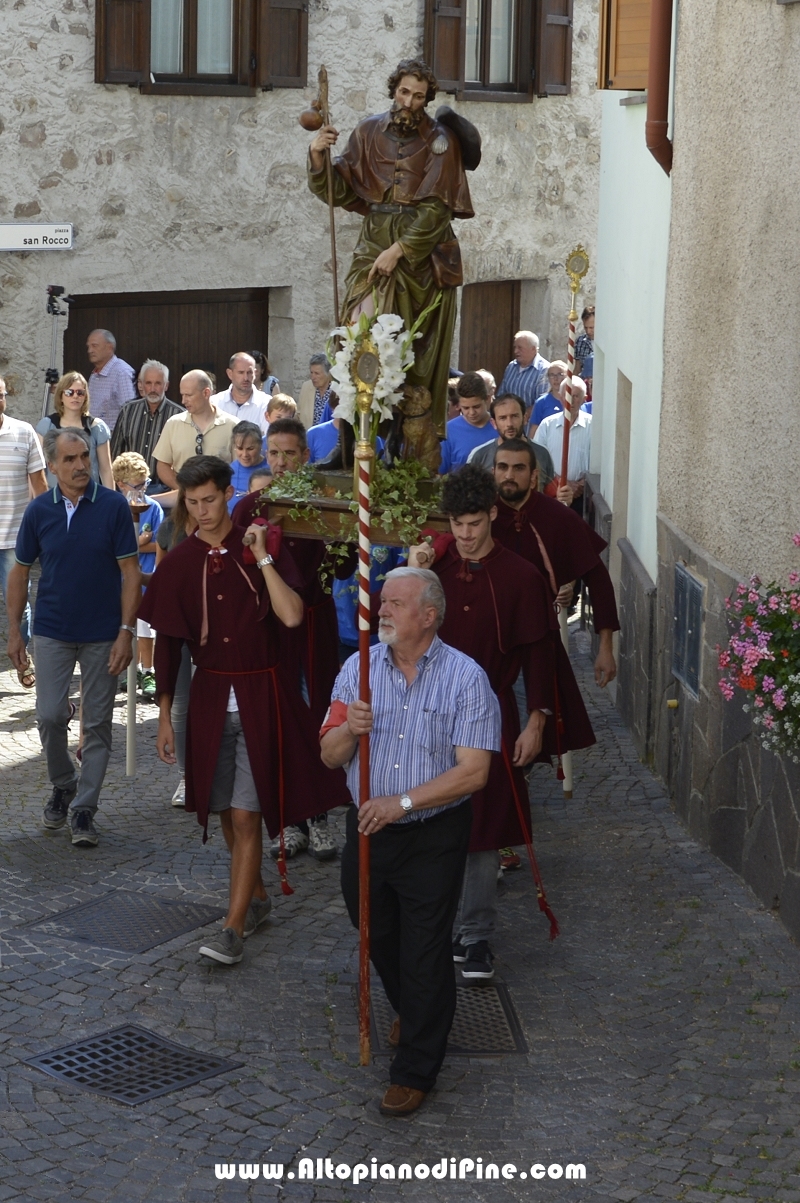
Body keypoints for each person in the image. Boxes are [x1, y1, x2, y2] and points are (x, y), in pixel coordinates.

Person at [139, 456, 349, 965]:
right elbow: (168, 644)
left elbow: (294, 616)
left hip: (262, 693)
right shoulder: (183, 559)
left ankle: (232, 927)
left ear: (228, 493)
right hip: (209, 698)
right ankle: (254, 898)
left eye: (209, 500)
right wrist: (166, 715)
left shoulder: (260, 545)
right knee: (221, 810)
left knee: (245, 812)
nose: (201, 511)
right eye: (191, 503)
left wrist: (264, 559)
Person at [320, 567, 500, 1116]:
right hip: (369, 831)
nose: (383, 612)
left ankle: (416, 1068)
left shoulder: (467, 679)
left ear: (429, 615)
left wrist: (400, 803)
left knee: (424, 947)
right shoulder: (358, 670)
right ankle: (415, 1009)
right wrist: (350, 728)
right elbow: (329, 755)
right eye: (383, 603)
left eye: (396, 603)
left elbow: (474, 773)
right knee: (374, 929)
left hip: (432, 832)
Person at [408, 466, 594, 977]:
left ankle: (477, 937)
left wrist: (536, 722)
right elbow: (398, 630)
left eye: (473, 523)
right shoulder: (434, 569)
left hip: (490, 715)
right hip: (428, 714)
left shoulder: (521, 577)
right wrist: (415, 570)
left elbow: (540, 655)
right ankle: (435, 928)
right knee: (429, 822)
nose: (465, 535)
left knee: (485, 832)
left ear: (491, 515)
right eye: (457, 525)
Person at [308, 59, 478, 439]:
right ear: (394, 90)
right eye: (404, 92)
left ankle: (402, 447)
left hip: (422, 256)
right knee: (356, 335)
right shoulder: (368, 131)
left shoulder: (441, 141)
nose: (409, 102)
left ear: (426, 99)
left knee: (408, 354)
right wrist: (319, 155)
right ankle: (350, 442)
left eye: (418, 96)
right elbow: (341, 189)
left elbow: (437, 209)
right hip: (373, 240)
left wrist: (399, 250)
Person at [6, 427, 140, 847]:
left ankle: (84, 810)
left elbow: (131, 572)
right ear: (52, 466)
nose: (81, 465)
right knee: (48, 715)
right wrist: (14, 632)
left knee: (98, 724)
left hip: (103, 633)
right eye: (70, 459)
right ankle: (64, 782)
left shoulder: (114, 506)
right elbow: (20, 571)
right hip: (52, 629)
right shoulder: (39, 511)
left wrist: (126, 631)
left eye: (84, 456)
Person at [233, 417, 355, 861]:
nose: (281, 463)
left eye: (290, 454)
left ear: (305, 457)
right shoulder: (249, 508)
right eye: (274, 454)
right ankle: (288, 818)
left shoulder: (324, 504)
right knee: (278, 719)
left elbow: (342, 571)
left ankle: (320, 813)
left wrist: (339, 534)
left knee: (315, 713)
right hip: (269, 630)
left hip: (314, 628)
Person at [491, 439, 619, 688]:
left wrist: (605, 647)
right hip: (489, 641)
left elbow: (599, 580)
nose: (509, 475)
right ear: (493, 471)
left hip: (539, 638)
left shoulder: (559, 518)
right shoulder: (480, 518)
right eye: (503, 467)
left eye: (518, 468)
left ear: (533, 475)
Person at [0, 376, 47, 686]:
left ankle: (21, 655)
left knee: (19, 605)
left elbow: (40, 486)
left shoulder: (23, 431)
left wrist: (45, 529)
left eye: (0, 395)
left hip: (15, 533)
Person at [111, 451, 163, 700]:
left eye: (146, 484)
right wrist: (137, 541)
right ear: (121, 485)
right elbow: (111, 546)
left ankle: (148, 670)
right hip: (121, 581)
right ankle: (130, 672)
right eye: (137, 485)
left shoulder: (152, 508)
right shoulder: (114, 508)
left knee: (146, 629)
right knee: (125, 626)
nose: (143, 489)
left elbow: (160, 543)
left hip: (146, 575)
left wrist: (138, 544)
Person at [152, 370, 238, 494]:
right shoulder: (173, 424)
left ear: (206, 393)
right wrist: (183, 489)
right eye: (182, 395)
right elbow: (162, 465)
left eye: (188, 395)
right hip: (183, 503)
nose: (183, 401)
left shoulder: (232, 426)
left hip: (219, 503)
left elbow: (239, 469)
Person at [110, 360, 182, 493]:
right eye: (148, 383)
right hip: (129, 488)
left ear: (166, 386)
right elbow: (115, 453)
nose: (153, 389)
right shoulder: (127, 411)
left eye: (158, 383)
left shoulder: (179, 416)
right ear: (141, 385)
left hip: (163, 489)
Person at [36, 372, 114, 490]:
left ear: (85, 396)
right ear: (61, 396)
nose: (75, 396)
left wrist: (111, 502)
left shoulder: (96, 427)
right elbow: (38, 466)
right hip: (55, 496)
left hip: (89, 496)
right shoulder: (46, 425)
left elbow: (106, 469)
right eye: (69, 392)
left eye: (80, 393)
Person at [467, 392, 555, 491]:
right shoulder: (480, 455)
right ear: (494, 423)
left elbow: (550, 495)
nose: (509, 424)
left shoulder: (542, 453)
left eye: (514, 416)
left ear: (525, 418)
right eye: (503, 418)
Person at [533, 377, 592, 509]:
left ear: (584, 399)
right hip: (551, 495)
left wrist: (580, 485)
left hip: (582, 498)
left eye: (576, 396)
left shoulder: (593, 427)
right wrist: (559, 483)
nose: (570, 400)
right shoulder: (547, 425)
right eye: (567, 395)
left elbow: (599, 464)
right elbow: (538, 461)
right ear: (559, 397)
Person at [438, 372, 494, 474]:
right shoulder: (448, 431)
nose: (471, 413)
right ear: (459, 404)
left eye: (476, 406)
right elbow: (440, 473)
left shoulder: (501, 426)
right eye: (466, 408)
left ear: (487, 399)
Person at [85, 329, 136, 432]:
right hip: (93, 437)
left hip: (113, 440)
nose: (89, 350)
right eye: (88, 346)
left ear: (110, 347)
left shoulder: (122, 373)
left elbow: (130, 413)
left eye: (94, 346)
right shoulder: (94, 375)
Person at [211, 353, 269, 435]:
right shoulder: (214, 403)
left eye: (249, 372)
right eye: (241, 372)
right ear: (230, 374)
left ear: (255, 373)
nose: (245, 378)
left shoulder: (267, 404)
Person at [497, 331, 550, 415]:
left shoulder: (544, 370)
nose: (515, 351)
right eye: (515, 347)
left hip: (530, 424)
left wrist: (522, 415)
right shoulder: (511, 366)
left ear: (533, 349)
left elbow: (542, 402)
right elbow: (501, 395)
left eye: (520, 348)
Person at [228, 421, 267, 512]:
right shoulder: (229, 471)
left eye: (250, 449)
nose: (245, 454)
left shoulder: (270, 470)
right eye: (240, 448)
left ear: (260, 445)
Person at [528, 361, 568, 437]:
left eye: (560, 374)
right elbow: (533, 433)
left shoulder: (574, 400)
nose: (556, 379)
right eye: (552, 375)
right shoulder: (541, 402)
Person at [297, 354, 335, 428]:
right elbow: (299, 414)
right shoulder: (306, 387)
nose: (313, 377)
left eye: (317, 373)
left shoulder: (336, 389)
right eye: (311, 372)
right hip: (309, 436)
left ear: (328, 374)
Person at [574, 306, 594, 375]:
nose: (588, 331)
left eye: (591, 327)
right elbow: (577, 368)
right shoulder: (580, 341)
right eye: (586, 327)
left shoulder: (607, 343)